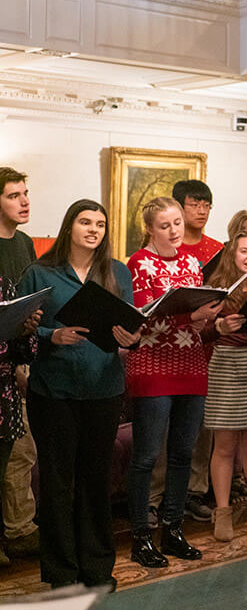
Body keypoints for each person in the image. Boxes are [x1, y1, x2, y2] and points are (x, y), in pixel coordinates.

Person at [19, 199, 139, 588]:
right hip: (54, 391)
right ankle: (61, 573)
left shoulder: (117, 272)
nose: (93, 229)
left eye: (100, 224)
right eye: (85, 222)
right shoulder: (40, 273)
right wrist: (51, 335)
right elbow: (16, 331)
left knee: (95, 480)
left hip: (104, 389)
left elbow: (131, 326)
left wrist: (131, 337)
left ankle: (98, 567)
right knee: (57, 482)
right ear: (69, 226)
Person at [126, 196, 223, 568]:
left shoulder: (192, 263)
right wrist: (191, 317)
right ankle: (140, 536)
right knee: (148, 455)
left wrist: (211, 322)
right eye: (165, 226)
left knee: (183, 452)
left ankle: (173, 528)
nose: (174, 231)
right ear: (150, 229)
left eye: (178, 223)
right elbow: (143, 319)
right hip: (153, 365)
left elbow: (194, 321)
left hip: (191, 363)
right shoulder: (139, 263)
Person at [201, 232, 247, 541]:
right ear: (232, 253)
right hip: (226, 363)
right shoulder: (215, 288)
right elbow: (198, 330)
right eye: (244, 250)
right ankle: (223, 511)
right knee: (226, 445)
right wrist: (218, 326)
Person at [170, 179, 222, 525]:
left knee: (205, 428)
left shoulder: (217, 248)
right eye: (194, 204)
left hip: (213, 345)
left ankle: (196, 490)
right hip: (173, 347)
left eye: (206, 205)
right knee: (171, 432)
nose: (201, 211)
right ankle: (164, 495)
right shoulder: (166, 247)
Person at [0, 167, 40, 561]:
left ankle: (19, 530)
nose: (24, 201)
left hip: (20, 358)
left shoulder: (25, 242)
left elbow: (28, 297)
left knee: (20, 449)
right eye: (14, 195)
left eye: (25, 193)